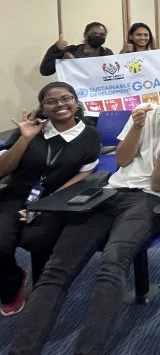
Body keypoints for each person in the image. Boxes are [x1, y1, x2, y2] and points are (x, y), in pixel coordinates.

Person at [9, 73, 160, 355]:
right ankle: (21, 350)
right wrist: (137, 127)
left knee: (112, 263)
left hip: (148, 200)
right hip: (110, 192)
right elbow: (122, 160)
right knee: (57, 267)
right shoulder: (144, 115)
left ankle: (88, 350)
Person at [0, 82, 101, 316]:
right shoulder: (30, 129)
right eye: (51, 101)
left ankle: (43, 293)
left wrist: (45, 204)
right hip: (15, 194)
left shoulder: (90, 135)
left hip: (54, 200)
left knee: (38, 240)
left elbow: (85, 173)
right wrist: (25, 138)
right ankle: (13, 282)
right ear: (42, 107)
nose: (60, 104)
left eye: (66, 98)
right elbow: (3, 170)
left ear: (76, 102)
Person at [40, 22, 113, 76]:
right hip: (72, 90)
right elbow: (45, 71)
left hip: (95, 90)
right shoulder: (71, 50)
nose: (97, 36)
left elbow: (111, 73)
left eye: (102, 35)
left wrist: (122, 57)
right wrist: (55, 49)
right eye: (94, 34)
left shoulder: (106, 53)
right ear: (85, 35)